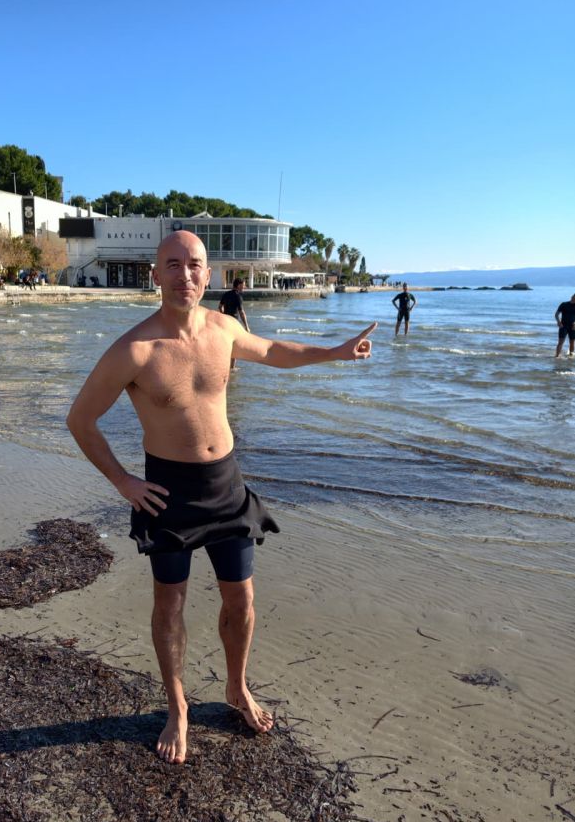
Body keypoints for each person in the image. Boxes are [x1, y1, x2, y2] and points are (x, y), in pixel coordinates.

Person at [66, 230, 376, 764]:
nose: (184, 274)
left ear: (208, 275)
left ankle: (237, 686)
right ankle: (177, 707)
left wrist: (335, 352)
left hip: (226, 486)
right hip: (169, 494)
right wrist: (123, 482)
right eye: (172, 264)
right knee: (170, 604)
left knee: (241, 600)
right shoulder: (134, 349)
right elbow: (80, 419)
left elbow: (274, 351)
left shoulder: (224, 329)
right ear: (155, 274)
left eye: (194, 264)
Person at [219, 277, 250, 370]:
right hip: (233, 323)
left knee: (226, 344)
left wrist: (223, 315)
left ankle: (224, 365)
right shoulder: (238, 296)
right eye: (243, 285)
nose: (244, 287)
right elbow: (241, 312)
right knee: (234, 346)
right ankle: (232, 368)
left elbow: (220, 306)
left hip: (225, 323)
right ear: (239, 285)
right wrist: (246, 327)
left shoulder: (226, 294)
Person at [555, 292, 575, 357]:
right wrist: (559, 322)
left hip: (573, 326)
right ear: (572, 296)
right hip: (563, 325)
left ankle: (571, 355)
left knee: (572, 341)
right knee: (561, 341)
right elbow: (556, 314)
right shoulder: (564, 304)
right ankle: (557, 356)